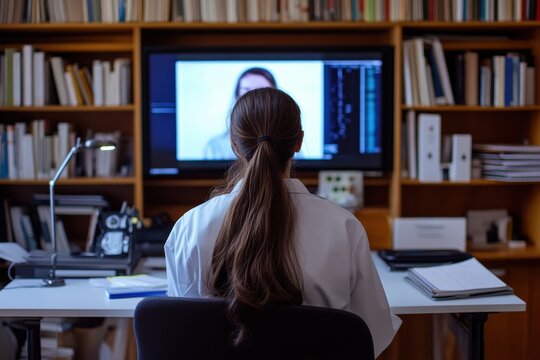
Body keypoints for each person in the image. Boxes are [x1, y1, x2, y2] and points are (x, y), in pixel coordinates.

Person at [165, 88, 400, 357]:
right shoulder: (345, 228)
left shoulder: (189, 228)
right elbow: (370, 336)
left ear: (234, 144)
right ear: (298, 142)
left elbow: (182, 335)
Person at [203, 67, 277, 160]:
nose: (253, 98)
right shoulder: (215, 147)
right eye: (246, 90)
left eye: (261, 90)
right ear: (237, 96)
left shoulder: (288, 143)